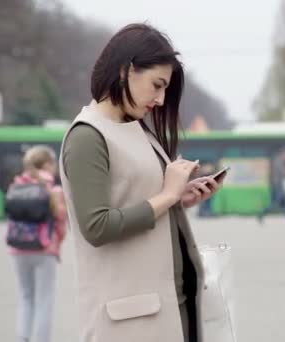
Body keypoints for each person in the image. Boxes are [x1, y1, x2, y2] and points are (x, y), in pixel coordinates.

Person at [59, 24, 222, 342]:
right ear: (126, 70)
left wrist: (179, 198)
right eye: (156, 85)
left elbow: (138, 200)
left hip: (173, 309)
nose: (161, 100)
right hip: (131, 321)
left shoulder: (136, 128)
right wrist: (167, 195)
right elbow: (97, 226)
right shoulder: (87, 136)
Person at [8, 145, 67, 342]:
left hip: (18, 248)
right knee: (44, 299)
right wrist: (58, 244)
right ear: (48, 164)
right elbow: (60, 219)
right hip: (44, 249)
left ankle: (22, 337)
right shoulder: (52, 188)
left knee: (26, 296)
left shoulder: (15, 185)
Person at [257, 147, 285, 225]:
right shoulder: (278, 161)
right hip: (278, 186)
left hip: (283, 186)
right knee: (276, 203)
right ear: (284, 154)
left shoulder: (282, 161)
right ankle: (262, 213)